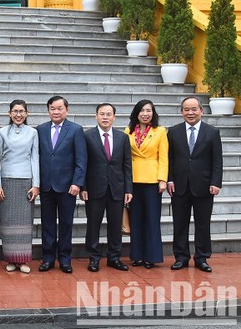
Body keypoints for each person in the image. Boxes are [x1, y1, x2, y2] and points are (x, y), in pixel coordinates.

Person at [168, 96, 223, 273]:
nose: (190, 113)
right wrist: (169, 179)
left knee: (203, 224)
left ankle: (202, 258)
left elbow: (217, 161)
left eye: (194, 109)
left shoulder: (212, 132)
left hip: (204, 186)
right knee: (180, 223)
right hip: (179, 186)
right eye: (186, 109)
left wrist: (216, 182)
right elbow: (169, 159)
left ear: (201, 110)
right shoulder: (173, 132)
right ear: (181, 112)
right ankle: (181, 257)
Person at [37, 95, 87, 273]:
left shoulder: (75, 130)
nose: (56, 111)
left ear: (67, 110)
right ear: (48, 110)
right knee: (47, 223)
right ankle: (48, 258)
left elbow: (81, 159)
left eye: (59, 108)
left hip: (68, 187)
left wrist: (77, 183)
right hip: (46, 185)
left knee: (66, 223)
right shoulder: (40, 130)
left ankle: (65, 259)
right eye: (53, 108)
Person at [82, 103, 133, 272]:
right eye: (102, 114)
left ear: (114, 117)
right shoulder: (87, 136)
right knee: (93, 225)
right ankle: (94, 258)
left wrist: (128, 190)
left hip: (117, 189)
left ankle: (114, 257)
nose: (105, 117)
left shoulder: (122, 138)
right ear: (96, 116)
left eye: (108, 114)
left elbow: (127, 165)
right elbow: (83, 163)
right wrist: (83, 187)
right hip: (94, 189)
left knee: (115, 225)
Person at [0, 99, 39, 274]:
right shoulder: (1, 132)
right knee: (8, 222)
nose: (18, 114)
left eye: (22, 111)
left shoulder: (33, 133)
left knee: (25, 223)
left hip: (26, 181)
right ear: (9, 113)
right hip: (6, 180)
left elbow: (34, 158)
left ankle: (23, 260)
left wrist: (36, 184)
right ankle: (11, 259)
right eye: (15, 111)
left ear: (27, 113)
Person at [124, 99, 168, 269]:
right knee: (135, 219)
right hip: (133, 180)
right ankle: (137, 255)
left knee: (151, 219)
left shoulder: (160, 131)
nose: (145, 114)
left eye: (149, 110)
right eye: (142, 110)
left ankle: (151, 256)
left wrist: (162, 179)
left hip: (152, 181)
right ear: (136, 113)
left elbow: (163, 157)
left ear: (153, 113)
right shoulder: (128, 131)